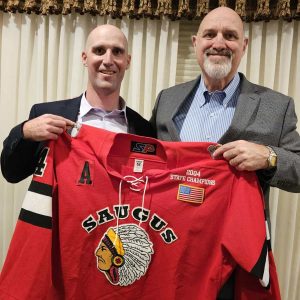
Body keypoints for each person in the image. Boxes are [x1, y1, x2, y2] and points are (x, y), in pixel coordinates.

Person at [150, 6, 300, 299]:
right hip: (169, 244)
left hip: (235, 256)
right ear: (196, 43)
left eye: (230, 35)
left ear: (243, 46)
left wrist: (269, 156)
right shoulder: (167, 99)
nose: (219, 42)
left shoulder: (276, 106)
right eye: (210, 34)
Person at [1, 24, 155, 184]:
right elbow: (11, 173)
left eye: (117, 52)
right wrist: (25, 132)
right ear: (84, 58)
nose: (108, 60)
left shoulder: (145, 130)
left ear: (127, 61)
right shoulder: (46, 114)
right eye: (99, 50)